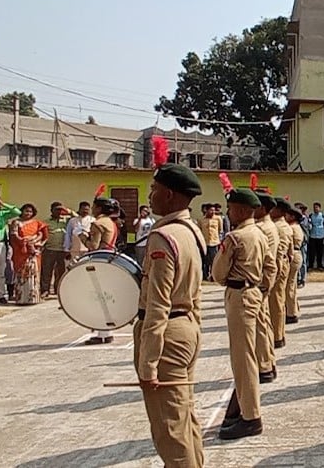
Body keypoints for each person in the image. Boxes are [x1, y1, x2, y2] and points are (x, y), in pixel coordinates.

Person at [134, 161, 206, 466]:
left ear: (169, 195)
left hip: (167, 336)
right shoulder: (192, 231)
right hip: (186, 327)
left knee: (170, 431)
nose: (150, 195)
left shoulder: (164, 237)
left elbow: (158, 304)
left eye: (154, 189)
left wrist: (148, 362)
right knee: (185, 419)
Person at [213, 188, 276, 440]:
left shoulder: (235, 237)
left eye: (230, 209)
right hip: (253, 294)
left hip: (239, 295)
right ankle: (241, 408)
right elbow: (270, 267)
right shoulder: (260, 234)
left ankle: (250, 416)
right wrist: (262, 291)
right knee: (247, 354)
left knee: (243, 359)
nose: (228, 213)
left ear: (239, 210)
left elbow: (218, 275)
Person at [80, 196, 121, 345]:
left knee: (98, 297)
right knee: (105, 296)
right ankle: (106, 332)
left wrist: (81, 236)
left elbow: (93, 246)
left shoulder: (97, 223)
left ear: (99, 208)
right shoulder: (110, 222)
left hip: (100, 259)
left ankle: (102, 332)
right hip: (110, 258)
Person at [254, 192, 279, 383]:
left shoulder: (263, 228)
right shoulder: (266, 226)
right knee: (264, 322)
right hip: (262, 279)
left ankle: (264, 366)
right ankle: (268, 361)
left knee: (260, 324)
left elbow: (264, 259)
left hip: (259, 279)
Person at [10, 204, 48, 306]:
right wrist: (23, 241)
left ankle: (33, 298)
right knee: (21, 273)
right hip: (21, 251)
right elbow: (14, 235)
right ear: (22, 211)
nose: (28, 213)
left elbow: (42, 235)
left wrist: (35, 242)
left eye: (30, 212)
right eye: (26, 211)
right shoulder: (16, 222)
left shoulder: (37, 223)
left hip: (33, 251)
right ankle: (21, 299)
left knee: (33, 273)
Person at [270, 198, 294, 348]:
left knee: (276, 302)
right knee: (279, 299)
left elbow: (280, 251)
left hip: (278, 264)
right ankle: (279, 333)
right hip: (284, 263)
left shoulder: (278, 227)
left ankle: (277, 336)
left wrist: (276, 270)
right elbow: (290, 249)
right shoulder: (286, 226)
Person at [41, 202, 75, 298]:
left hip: (63, 250)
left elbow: (77, 216)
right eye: (57, 209)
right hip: (49, 249)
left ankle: (58, 290)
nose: (59, 211)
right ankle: (45, 290)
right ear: (51, 210)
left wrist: (66, 210)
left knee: (61, 271)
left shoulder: (67, 220)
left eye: (60, 210)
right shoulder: (46, 222)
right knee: (47, 271)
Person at [285, 205, 304, 324]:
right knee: (292, 285)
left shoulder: (291, 228)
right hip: (296, 254)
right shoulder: (296, 227)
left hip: (293, 254)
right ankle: (293, 309)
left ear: (292, 216)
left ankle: (291, 313)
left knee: (289, 286)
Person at [198, 204, 222, 281]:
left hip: (214, 242)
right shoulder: (201, 220)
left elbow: (220, 230)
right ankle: (204, 276)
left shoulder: (218, 219)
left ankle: (213, 276)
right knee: (205, 261)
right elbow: (200, 231)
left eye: (214, 210)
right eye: (211, 210)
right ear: (206, 210)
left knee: (214, 261)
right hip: (205, 243)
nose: (213, 212)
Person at [308, 203, 324, 270]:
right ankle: (311, 265)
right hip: (313, 236)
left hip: (321, 236)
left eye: (317, 207)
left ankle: (319, 265)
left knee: (320, 251)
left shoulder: (323, 215)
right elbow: (309, 224)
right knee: (312, 252)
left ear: (319, 208)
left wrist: (322, 231)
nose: (315, 209)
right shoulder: (311, 215)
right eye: (314, 207)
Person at [296, 203, 309, 288]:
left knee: (303, 261)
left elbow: (304, 226)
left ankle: (303, 279)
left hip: (303, 242)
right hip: (296, 242)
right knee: (297, 261)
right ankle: (297, 278)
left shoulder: (304, 219)